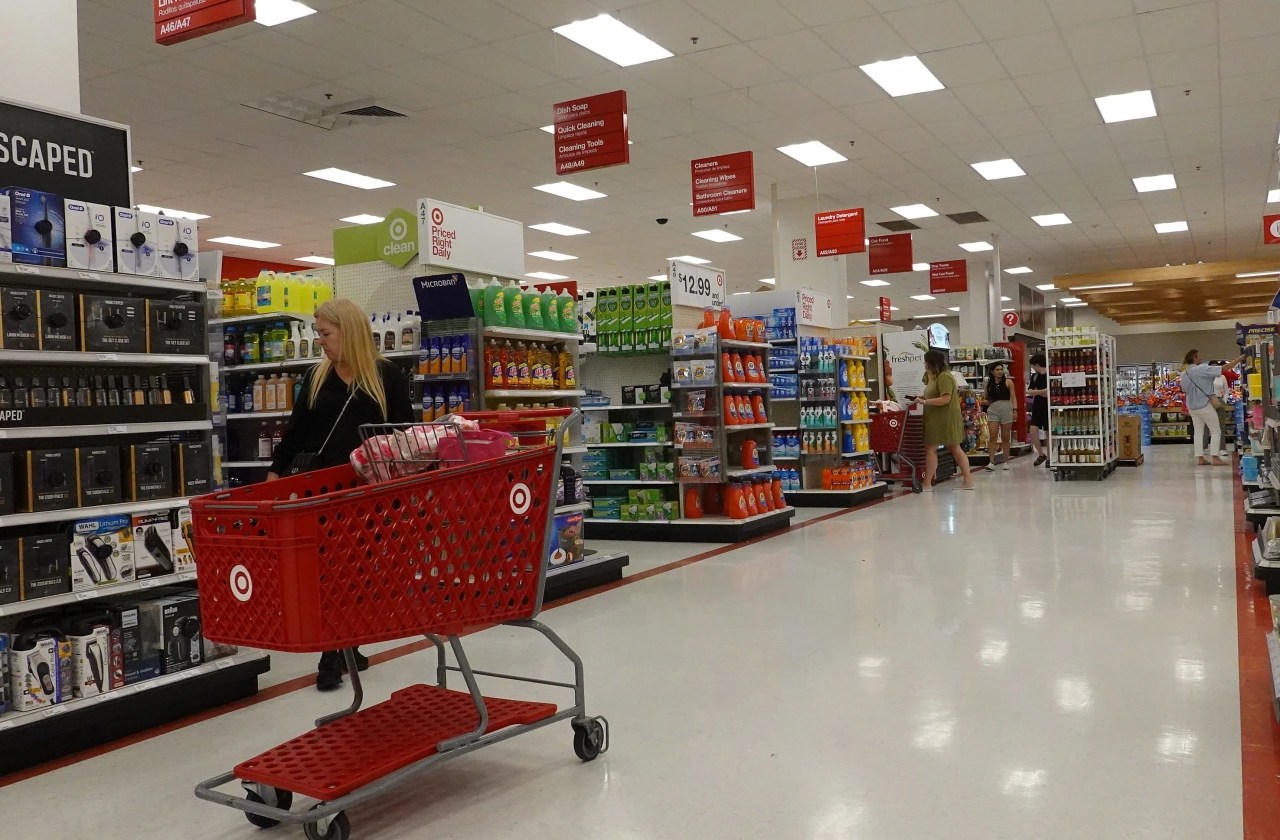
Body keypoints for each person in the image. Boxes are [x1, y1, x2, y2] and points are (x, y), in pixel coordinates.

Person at [267, 297, 414, 690]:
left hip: (369, 494)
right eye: (318, 333)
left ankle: (348, 643)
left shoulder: (387, 377)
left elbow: (405, 435)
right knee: (332, 572)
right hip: (324, 490)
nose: (320, 341)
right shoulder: (317, 378)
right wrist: (276, 473)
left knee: (358, 573)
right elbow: (296, 431)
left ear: (348, 332)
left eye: (326, 333)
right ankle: (332, 654)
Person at [912, 349, 975, 491]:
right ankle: (927, 483)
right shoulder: (932, 377)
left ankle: (967, 481)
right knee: (932, 448)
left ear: (931, 363)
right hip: (934, 419)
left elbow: (945, 399)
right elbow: (933, 394)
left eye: (925, 361)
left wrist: (925, 401)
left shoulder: (945, 377)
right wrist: (922, 397)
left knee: (952, 447)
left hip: (946, 418)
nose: (924, 364)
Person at [1179, 349, 1245, 467]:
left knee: (1198, 432)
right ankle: (1215, 457)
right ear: (1194, 358)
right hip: (1204, 404)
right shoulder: (1202, 368)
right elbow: (1224, 368)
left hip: (1192, 406)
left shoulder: (1184, 373)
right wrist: (1240, 358)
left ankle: (1200, 458)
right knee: (1216, 430)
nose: (1201, 357)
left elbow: (1184, 389)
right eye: (1199, 356)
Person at [981, 362, 1018, 471]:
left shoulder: (1008, 382)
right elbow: (986, 398)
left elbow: (1013, 397)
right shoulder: (988, 384)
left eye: (1001, 369)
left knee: (1005, 437)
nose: (1000, 371)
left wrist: (1015, 410)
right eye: (997, 370)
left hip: (1006, 409)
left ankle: (1006, 461)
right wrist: (984, 401)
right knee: (992, 436)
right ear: (992, 371)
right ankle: (991, 462)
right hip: (993, 410)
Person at [1026, 354, 1050, 467]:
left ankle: (1049, 457)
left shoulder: (1050, 375)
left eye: (1033, 365)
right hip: (1037, 406)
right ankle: (1041, 454)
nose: (1032, 368)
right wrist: (1043, 390)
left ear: (1037, 365)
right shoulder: (1034, 377)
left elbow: (1048, 394)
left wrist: (1037, 392)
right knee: (1033, 429)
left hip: (1049, 406)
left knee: (1048, 432)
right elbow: (1030, 391)